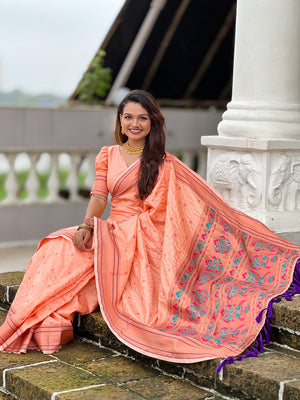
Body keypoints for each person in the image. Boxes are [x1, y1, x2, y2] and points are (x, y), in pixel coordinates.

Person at [0, 90, 299, 366]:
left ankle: (53, 315)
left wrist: (126, 232)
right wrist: (86, 225)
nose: (135, 123)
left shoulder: (161, 162)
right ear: (119, 120)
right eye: (128, 117)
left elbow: (164, 210)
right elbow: (99, 197)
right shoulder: (107, 154)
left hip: (140, 234)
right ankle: (39, 317)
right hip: (110, 229)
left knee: (92, 270)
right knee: (57, 246)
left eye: (142, 118)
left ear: (152, 122)